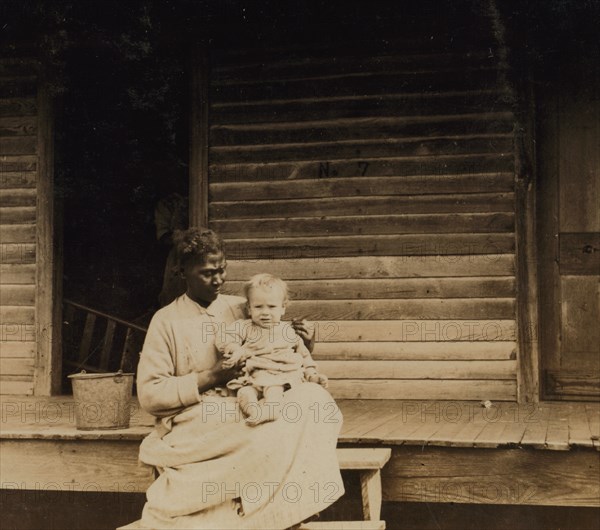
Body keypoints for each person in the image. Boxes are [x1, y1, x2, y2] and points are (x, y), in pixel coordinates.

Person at [136, 228, 344, 529]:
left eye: (222, 270)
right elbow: (150, 396)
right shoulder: (166, 321)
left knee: (315, 400)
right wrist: (211, 376)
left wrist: (302, 342)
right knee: (266, 430)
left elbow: (275, 344)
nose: (218, 280)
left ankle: (286, 509)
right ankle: (254, 514)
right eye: (207, 273)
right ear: (182, 272)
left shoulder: (242, 306)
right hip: (199, 417)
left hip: (252, 398)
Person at [217, 273, 329, 426]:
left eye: (271, 307)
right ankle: (254, 413)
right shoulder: (245, 326)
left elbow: (303, 356)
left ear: (283, 308)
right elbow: (227, 337)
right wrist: (234, 349)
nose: (265, 312)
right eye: (258, 307)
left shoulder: (288, 331)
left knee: (274, 390)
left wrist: (312, 374)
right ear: (249, 308)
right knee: (244, 392)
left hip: (279, 376)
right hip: (254, 375)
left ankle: (270, 411)